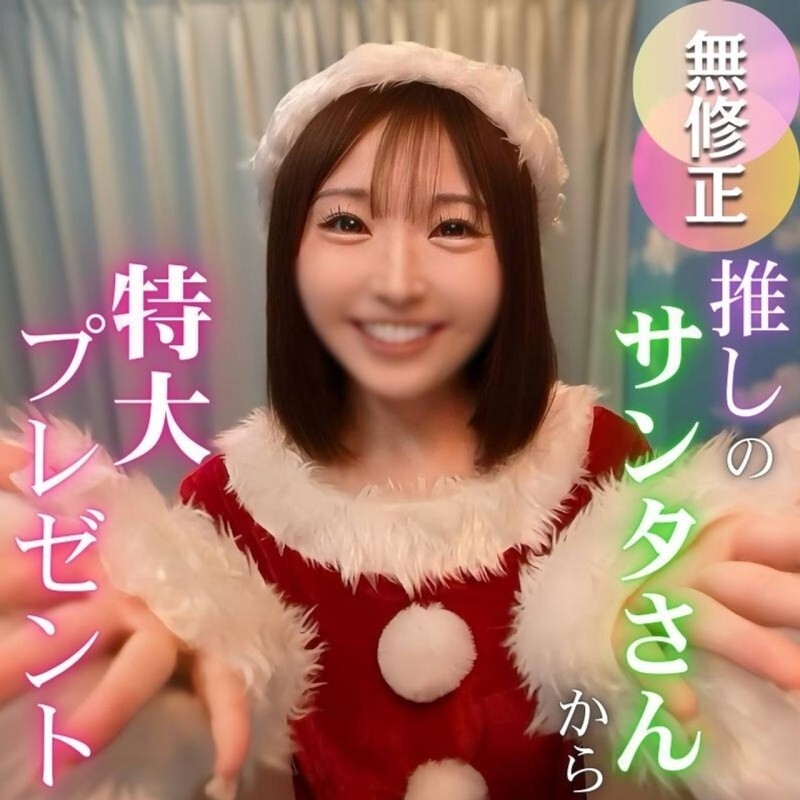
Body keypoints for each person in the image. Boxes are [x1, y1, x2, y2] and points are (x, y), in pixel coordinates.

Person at [0, 42, 799, 800]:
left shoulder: (603, 461)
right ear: (291, 251)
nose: (397, 281)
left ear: (513, 261)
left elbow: (647, 754)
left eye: (453, 226)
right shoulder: (223, 505)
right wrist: (173, 728)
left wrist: (695, 687)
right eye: (346, 222)